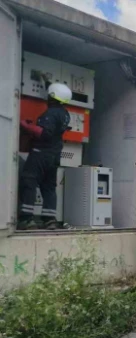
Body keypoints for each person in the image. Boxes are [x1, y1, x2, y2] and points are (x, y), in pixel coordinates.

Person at [17, 83, 72, 230]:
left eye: (49, 95)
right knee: (48, 187)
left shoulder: (51, 113)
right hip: (54, 156)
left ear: (52, 98)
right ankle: (50, 220)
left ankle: (27, 219)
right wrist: (48, 82)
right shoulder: (65, 114)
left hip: (41, 153)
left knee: (29, 181)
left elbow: (44, 133)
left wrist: (25, 125)